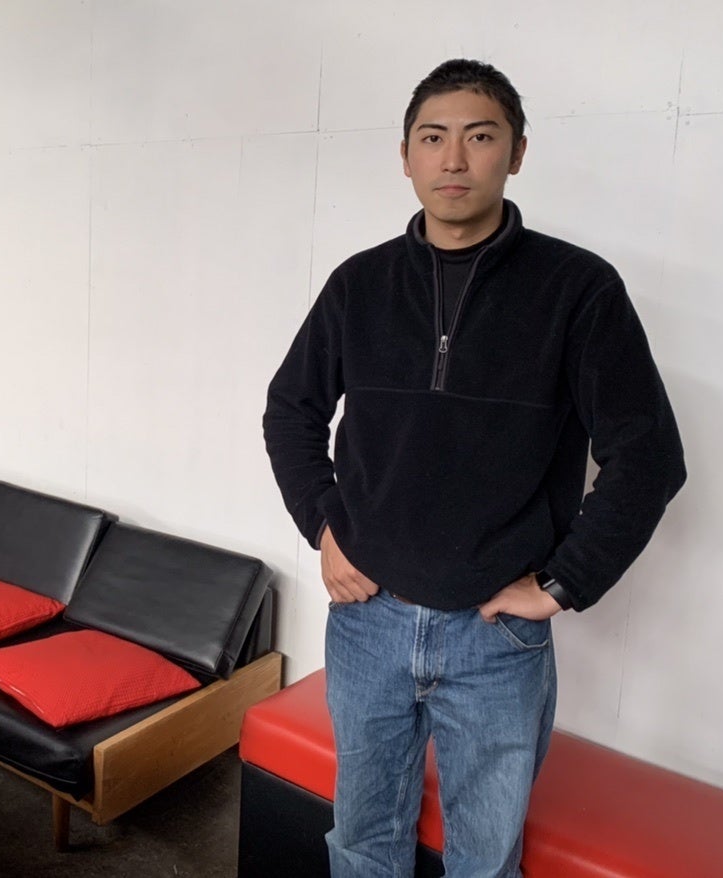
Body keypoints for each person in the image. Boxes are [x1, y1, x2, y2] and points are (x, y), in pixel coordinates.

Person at [262, 59, 686, 878]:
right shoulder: (359, 284)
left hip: (496, 638)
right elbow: (291, 410)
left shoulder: (578, 289)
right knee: (362, 844)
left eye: (480, 136)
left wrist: (562, 583)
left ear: (516, 152)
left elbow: (649, 456)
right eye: (433, 138)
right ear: (406, 156)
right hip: (369, 620)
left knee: (486, 863)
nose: (454, 159)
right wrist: (323, 523)